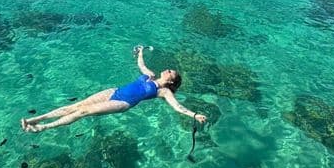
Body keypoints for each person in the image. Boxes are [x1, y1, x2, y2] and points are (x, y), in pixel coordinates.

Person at [20, 46, 207, 132]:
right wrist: (140, 52)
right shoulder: (149, 75)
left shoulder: (163, 91)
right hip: (114, 91)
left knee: (83, 112)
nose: (167, 70)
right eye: (168, 69)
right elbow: (141, 65)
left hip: (123, 102)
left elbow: (177, 107)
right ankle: (36, 119)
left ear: (170, 82)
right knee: (76, 106)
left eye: (170, 73)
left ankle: (44, 127)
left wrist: (194, 115)